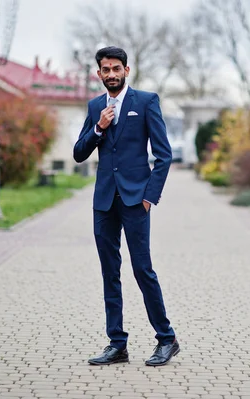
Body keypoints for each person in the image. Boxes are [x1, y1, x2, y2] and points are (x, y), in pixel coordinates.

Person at [73, 46, 179, 366]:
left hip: (136, 201)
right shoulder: (95, 107)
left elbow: (164, 155)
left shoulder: (146, 102)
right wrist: (98, 128)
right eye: (105, 69)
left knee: (141, 269)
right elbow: (79, 152)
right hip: (104, 201)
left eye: (116, 68)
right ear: (99, 74)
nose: (111, 74)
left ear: (126, 70)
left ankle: (166, 338)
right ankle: (117, 343)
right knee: (109, 272)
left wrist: (149, 197)